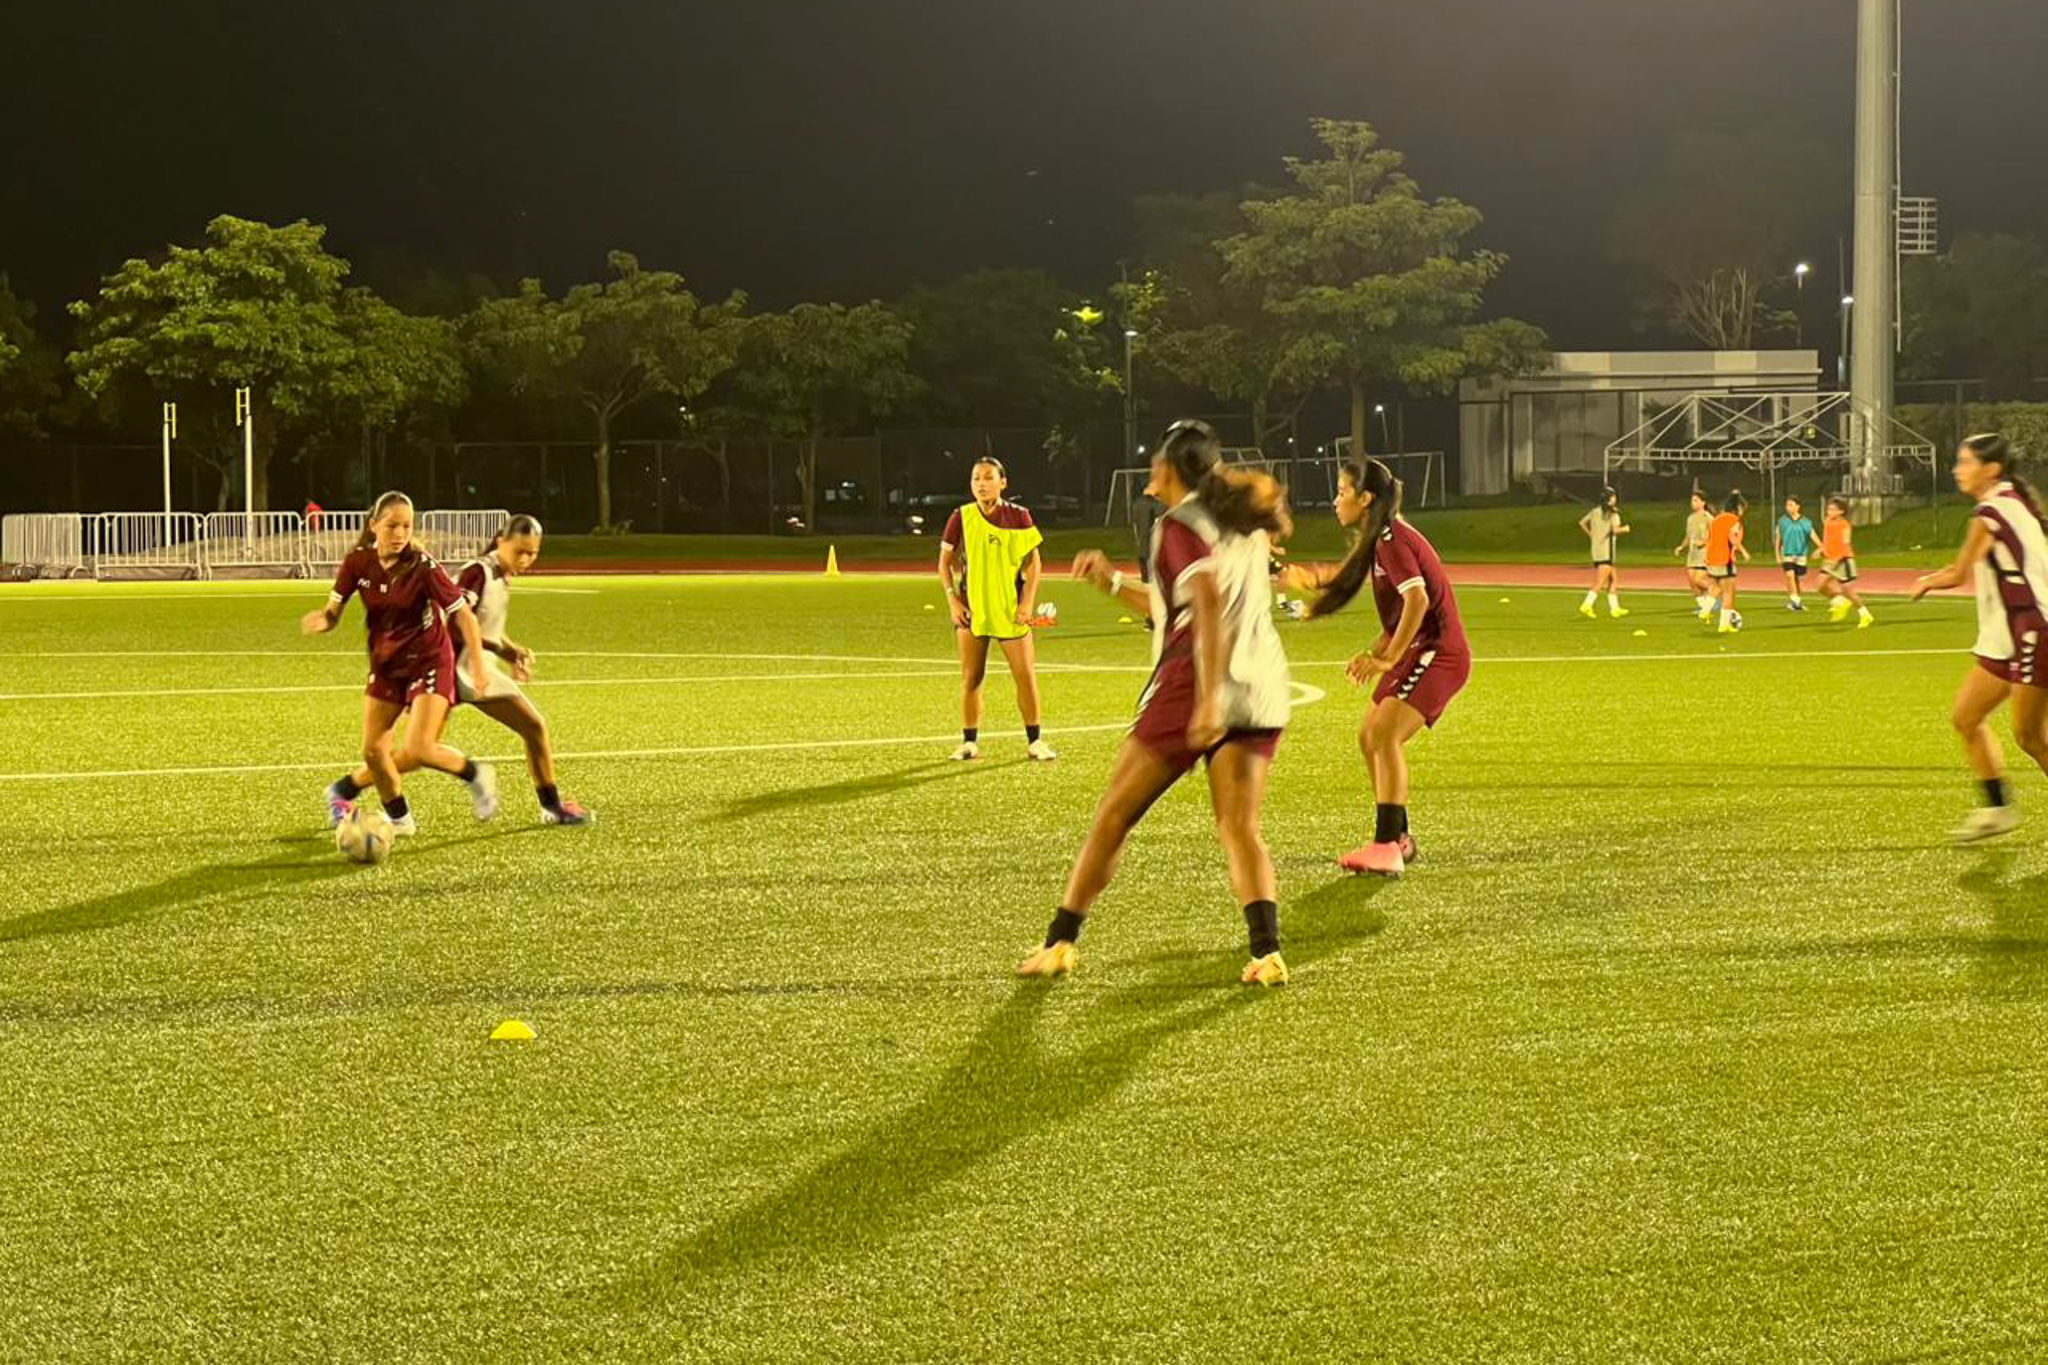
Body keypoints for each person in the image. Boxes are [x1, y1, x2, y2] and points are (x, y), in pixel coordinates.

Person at [1018, 419, 1293, 987]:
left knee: (1113, 817)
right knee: (1240, 827)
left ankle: (1059, 943)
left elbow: (1209, 604)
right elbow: (1182, 605)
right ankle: (1267, 953)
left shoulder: (1177, 525)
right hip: (1261, 689)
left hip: (1195, 686)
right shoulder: (1242, 526)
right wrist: (1113, 584)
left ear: (1168, 468)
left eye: (1155, 459)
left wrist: (1209, 701)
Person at [329, 514, 592, 827]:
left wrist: (507, 649)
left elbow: (482, 624)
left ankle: (345, 788)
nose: (526, 559)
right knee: (524, 729)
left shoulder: (498, 574)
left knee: (422, 752)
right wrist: (497, 651)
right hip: (456, 671)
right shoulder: (478, 572)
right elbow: (457, 618)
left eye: (532, 553)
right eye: (520, 551)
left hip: (469, 670)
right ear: (501, 542)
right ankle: (549, 806)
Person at [1281, 458, 1470, 878]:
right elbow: (1398, 610)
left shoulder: (1392, 538)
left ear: (1365, 499)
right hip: (1420, 651)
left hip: (1439, 654)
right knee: (1369, 737)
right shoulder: (1381, 539)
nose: (1335, 501)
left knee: (1384, 735)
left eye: (1341, 491)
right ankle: (1398, 838)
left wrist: (1385, 659)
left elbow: (1417, 602)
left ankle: (1386, 847)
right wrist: (1374, 651)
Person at [305, 491, 496, 837]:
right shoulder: (357, 563)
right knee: (374, 752)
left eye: (406, 526)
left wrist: (480, 668)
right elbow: (334, 611)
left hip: (429, 661)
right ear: (374, 525)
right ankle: (400, 819)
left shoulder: (422, 567)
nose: (400, 533)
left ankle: (474, 773)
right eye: (392, 525)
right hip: (386, 664)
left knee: (420, 748)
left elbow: (465, 617)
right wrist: (324, 620)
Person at [1908, 434, 2048, 843]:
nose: (1957, 469)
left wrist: (1925, 582)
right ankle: (1997, 809)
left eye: (1965, 462)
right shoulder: (2012, 501)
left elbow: (1958, 573)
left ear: (1991, 469)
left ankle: (1998, 809)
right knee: (1967, 717)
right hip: (2009, 635)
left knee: (2030, 736)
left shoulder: (1988, 512)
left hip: (2034, 632)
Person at [937, 457, 1055, 762]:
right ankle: (968, 742)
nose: (981, 484)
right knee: (971, 678)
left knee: (1025, 676)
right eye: (976, 478)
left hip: (1009, 610)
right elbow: (944, 563)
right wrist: (953, 599)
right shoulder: (960, 517)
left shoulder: (1020, 516)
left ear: (1003, 483)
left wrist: (1027, 601)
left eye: (988, 478)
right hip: (972, 612)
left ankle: (1035, 741)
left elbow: (1034, 562)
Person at [1816, 496, 1875, 628]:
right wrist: (1821, 549)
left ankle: (1865, 614)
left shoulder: (1844, 525)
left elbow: (1845, 545)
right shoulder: (1827, 522)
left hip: (1844, 560)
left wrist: (1837, 560)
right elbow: (1827, 540)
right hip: (1830, 559)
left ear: (1841, 512)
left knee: (1847, 590)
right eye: (1828, 508)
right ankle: (1839, 601)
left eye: (1832, 509)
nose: (1829, 511)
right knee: (1820, 584)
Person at [1578, 487, 1631, 618]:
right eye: (1613, 496)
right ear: (1610, 499)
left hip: (1596, 549)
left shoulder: (1595, 511)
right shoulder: (1613, 514)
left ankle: (1615, 608)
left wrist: (1592, 535)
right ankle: (1587, 604)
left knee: (1613, 580)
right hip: (1607, 551)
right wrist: (1626, 529)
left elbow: (1582, 523)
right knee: (1600, 581)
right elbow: (1616, 530)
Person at [1704, 491, 1751, 633]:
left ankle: (1707, 609)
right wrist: (1743, 551)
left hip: (1712, 559)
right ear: (1738, 508)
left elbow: (1709, 538)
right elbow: (1733, 538)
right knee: (1728, 593)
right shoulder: (1734, 521)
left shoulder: (1716, 519)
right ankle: (1722, 623)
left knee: (1717, 587)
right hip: (1726, 560)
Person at [1674, 490, 1716, 619]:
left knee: (1698, 580)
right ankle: (1704, 607)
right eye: (1692, 500)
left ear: (1703, 502)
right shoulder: (1690, 518)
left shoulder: (1708, 518)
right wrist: (1681, 547)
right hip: (1692, 555)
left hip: (1705, 554)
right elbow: (1688, 536)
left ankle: (1715, 592)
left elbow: (1715, 536)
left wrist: (1704, 542)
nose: (1693, 503)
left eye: (1696, 500)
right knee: (1692, 583)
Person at [1774, 496, 1818, 611]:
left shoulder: (1806, 522)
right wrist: (1777, 555)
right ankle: (1795, 601)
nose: (1788, 507)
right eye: (1787, 505)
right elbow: (1778, 539)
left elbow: (1813, 535)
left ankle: (1796, 602)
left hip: (1801, 554)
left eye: (1791, 505)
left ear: (1798, 506)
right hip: (1787, 553)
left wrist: (1820, 548)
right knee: (1789, 576)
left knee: (1798, 579)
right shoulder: (1782, 521)